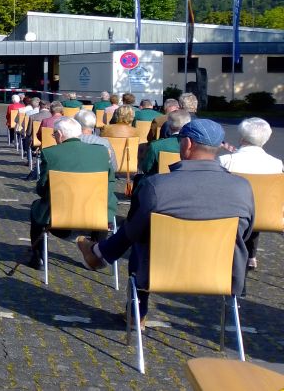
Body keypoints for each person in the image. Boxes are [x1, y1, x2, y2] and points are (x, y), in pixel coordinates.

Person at [77, 119, 254, 325]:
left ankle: (133, 307)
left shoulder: (156, 185)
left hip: (160, 271)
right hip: (221, 273)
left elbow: (133, 232)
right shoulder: (243, 187)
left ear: (187, 144)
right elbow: (246, 232)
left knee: (140, 238)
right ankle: (101, 253)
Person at [26, 117, 115, 269]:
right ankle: (96, 252)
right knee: (105, 205)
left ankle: (38, 257)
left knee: (37, 208)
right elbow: (110, 183)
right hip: (97, 215)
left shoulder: (50, 153)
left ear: (60, 134)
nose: (54, 138)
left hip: (60, 217)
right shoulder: (101, 152)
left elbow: (42, 189)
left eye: (54, 135)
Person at [218, 118, 282, 270]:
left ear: (242, 137)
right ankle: (251, 255)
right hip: (264, 214)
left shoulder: (226, 160)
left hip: (233, 213)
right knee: (256, 200)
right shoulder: (276, 163)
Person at [138, 110, 191, 178]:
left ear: (168, 125)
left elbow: (146, 168)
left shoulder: (156, 145)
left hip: (159, 182)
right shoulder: (193, 147)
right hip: (185, 180)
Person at [75, 110, 117, 174]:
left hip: (73, 179)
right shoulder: (104, 143)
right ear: (94, 123)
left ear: (76, 124)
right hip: (98, 181)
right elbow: (114, 168)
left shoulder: (68, 142)